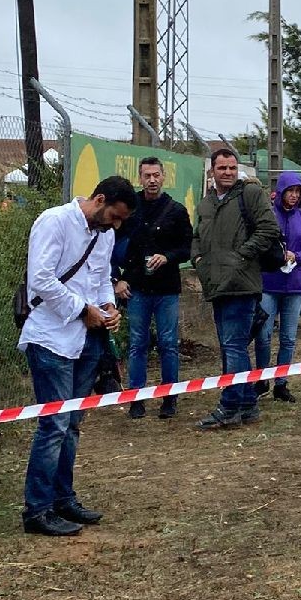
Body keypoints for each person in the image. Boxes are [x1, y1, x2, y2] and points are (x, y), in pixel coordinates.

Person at [19, 176, 137, 536]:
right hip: (50, 338)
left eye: (120, 221)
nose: (115, 225)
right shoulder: (53, 221)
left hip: (87, 339)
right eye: (113, 216)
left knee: (71, 425)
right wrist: (81, 308)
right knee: (53, 424)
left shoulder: (104, 234)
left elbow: (102, 277)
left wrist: (108, 307)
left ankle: (62, 499)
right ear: (98, 199)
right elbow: (39, 279)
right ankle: (37, 510)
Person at [192, 149, 281, 430]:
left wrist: (242, 255)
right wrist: (198, 259)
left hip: (242, 285)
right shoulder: (206, 204)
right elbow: (196, 236)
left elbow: (269, 229)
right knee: (233, 347)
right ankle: (247, 404)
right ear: (212, 171)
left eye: (232, 167)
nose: (227, 172)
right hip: (217, 286)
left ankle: (230, 405)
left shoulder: (250, 195)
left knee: (233, 346)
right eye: (222, 168)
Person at [113, 157, 193, 420]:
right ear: (140, 178)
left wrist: (167, 257)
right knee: (137, 344)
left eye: (156, 175)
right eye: (147, 175)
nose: (152, 180)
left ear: (163, 177)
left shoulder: (176, 211)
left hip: (167, 289)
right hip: (137, 289)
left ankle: (169, 398)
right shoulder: (130, 211)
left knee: (168, 344)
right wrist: (118, 280)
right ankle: (136, 398)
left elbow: (186, 248)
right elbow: (109, 248)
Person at [254, 172, 301, 403]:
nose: (293, 196)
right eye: (290, 191)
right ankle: (261, 378)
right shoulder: (268, 216)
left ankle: (281, 383)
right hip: (269, 283)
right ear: (281, 192)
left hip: (294, 285)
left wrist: (298, 256)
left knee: (288, 338)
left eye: (297, 192)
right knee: (263, 335)